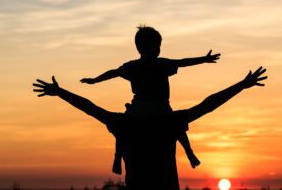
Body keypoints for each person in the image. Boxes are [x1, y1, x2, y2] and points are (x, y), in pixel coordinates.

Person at [33, 67, 267, 189]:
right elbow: (208, 105)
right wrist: (242, 85)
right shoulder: (168, 121)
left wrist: (60, 92)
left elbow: (89, 107)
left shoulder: (124, 123)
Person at [81, 26, 221, 170]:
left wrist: (95, 80)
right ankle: (189, 152)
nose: (158, 49)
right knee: (176, 124)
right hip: (160, 106)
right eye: (157, 45)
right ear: (149, 47)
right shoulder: (161, 64)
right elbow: (183, 62)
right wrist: (203, 59)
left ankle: (117, 157)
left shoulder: (132, 66)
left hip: (138, 107)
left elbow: (113, 72)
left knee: (122, 127)